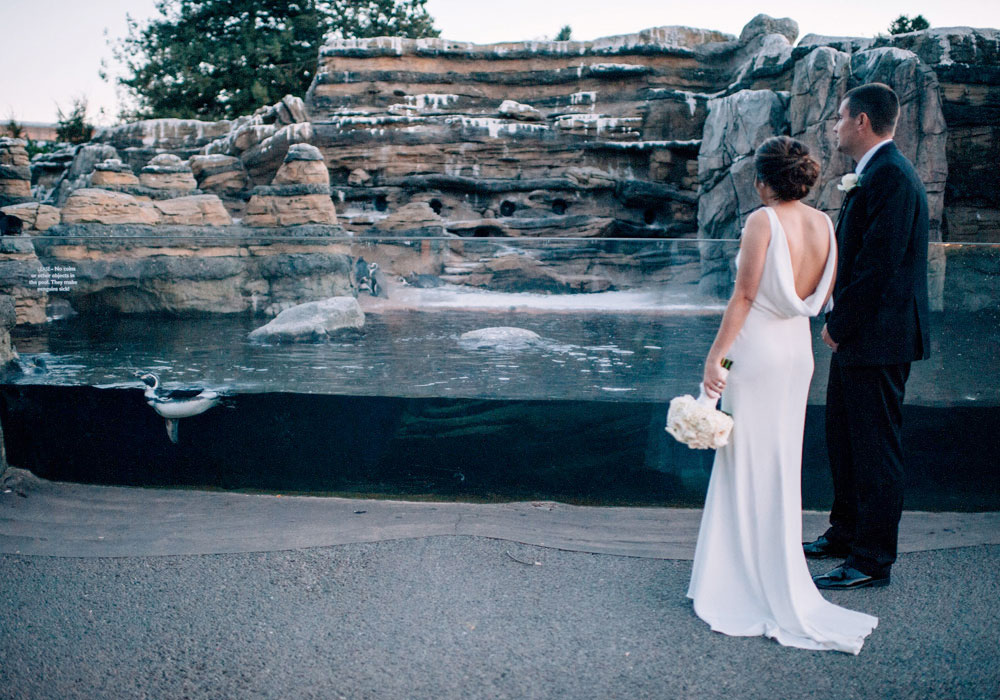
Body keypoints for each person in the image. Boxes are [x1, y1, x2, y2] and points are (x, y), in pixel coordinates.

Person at [687, 135, 878, 654]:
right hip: (798, 356)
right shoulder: (824, 225)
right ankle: (773, 572)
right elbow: (820, 298)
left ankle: (741, 581)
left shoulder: (761, 221)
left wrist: (716, 359)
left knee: (746, 462)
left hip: (759, 354)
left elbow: (744, 296)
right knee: (779, 464)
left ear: (762, 179)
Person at [805, 83, 930, 590]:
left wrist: (839, 325)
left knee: (876, 448)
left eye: (839, 118)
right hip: (865, 338)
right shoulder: (875, 174)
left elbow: (878, 268)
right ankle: (845, 531)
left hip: (878, 339)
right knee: (845, 437)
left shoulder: (893, 179)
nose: (834, 126)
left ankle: (871, 559)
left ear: (861, 122)